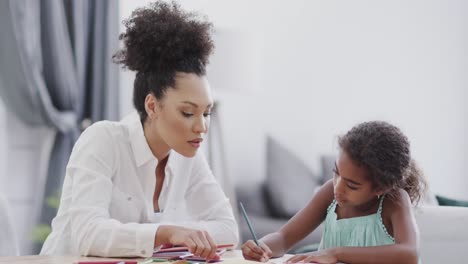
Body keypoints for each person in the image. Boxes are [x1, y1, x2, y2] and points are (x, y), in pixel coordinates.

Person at [40, 1, 238, 259]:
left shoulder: (188, 155)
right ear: (153, 105)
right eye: (188, 113)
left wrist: (181, 234)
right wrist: (165, 233)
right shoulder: (103, 140)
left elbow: (227, 229)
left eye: (207, 112)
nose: (201, 127)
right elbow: (88, 235)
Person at [242, 121, 426, 264]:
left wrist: (336, 253)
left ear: (381, 188)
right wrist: (262, 246)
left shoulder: (394, 201)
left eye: (352, 185)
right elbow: (283, 238)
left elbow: (409, 254)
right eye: (336, 173)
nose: (338, 187)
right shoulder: (329, 192)